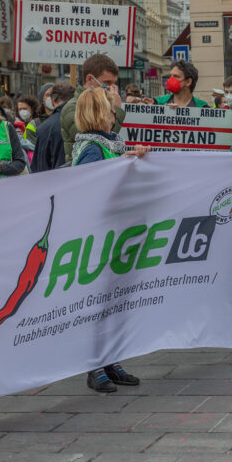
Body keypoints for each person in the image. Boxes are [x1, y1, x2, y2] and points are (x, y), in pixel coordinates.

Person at [70, 89, 149, 391]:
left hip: (117, 230)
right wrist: (122, 164)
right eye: (110, 108)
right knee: (100, 302)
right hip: (100, 233)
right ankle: (95, 366)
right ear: (99, 113)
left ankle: (111, 358)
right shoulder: (91, 148)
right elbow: (89, 189)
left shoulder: (113, 144)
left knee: (115, 301)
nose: (115, 113)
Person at [61, 54, 124, 163]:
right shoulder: (73, 108)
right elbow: (101, 138)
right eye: (107, 83)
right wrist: (116, 111)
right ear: (90, 79)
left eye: (114, 84)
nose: (111, 89)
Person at [30, 81, 75, 173]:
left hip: (55, 181)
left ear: (52, 101)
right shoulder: (85, 120)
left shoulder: (44, 128)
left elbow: (40, 166)